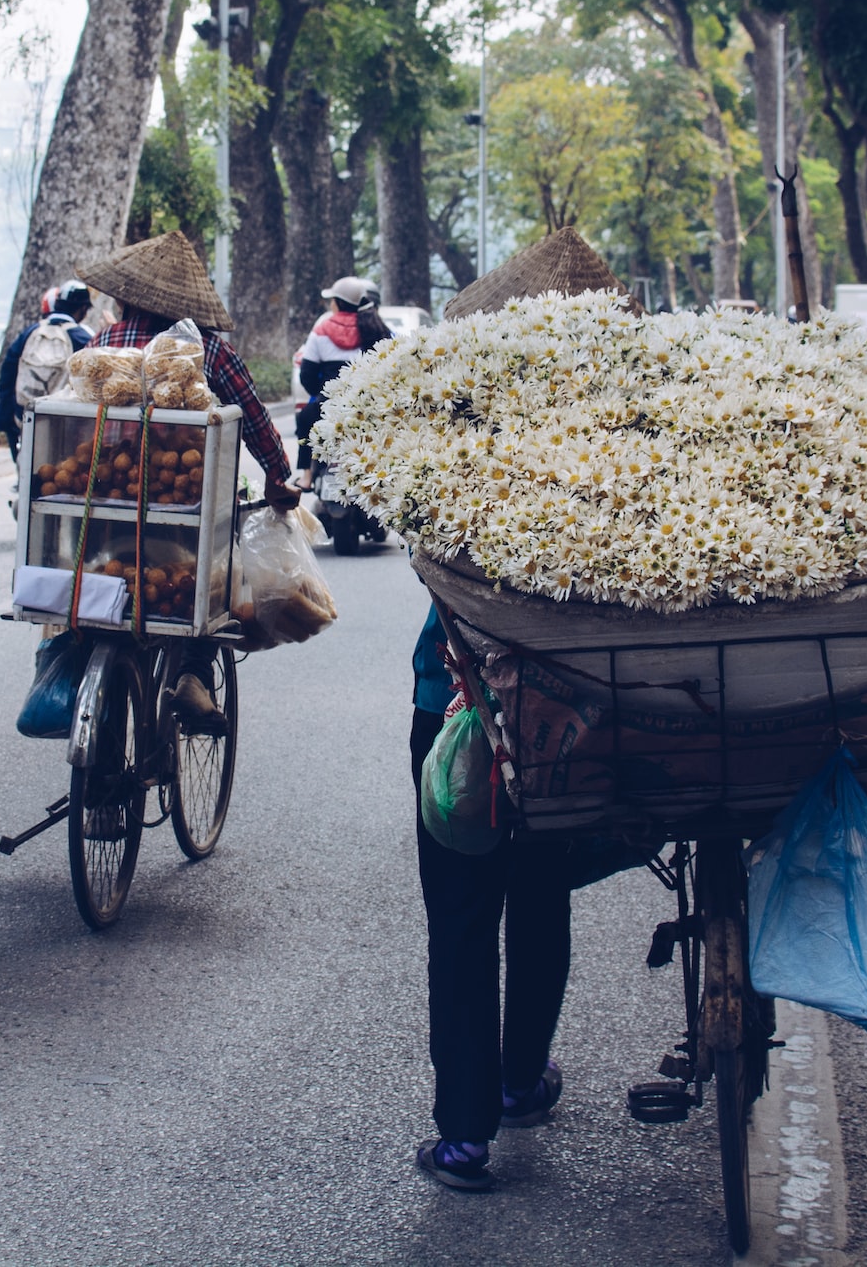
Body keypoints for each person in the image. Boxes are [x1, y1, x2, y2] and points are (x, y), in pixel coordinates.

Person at [76, 230, 300, 727]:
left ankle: (76, 657)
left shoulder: (103, 344)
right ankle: (196, 676)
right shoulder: (209, 352)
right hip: (183, 507)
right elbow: (256, 419)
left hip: (102, 502)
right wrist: (279, 478)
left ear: (125, 296)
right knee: (218, 577)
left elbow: (66, 414)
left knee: (91, 581)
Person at [410, 604, 570, 1193]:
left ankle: (463, 1137)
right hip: (565, 705)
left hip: (456, 708)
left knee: (461, 919)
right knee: (541, 893)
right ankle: (519, 1082)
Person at [295, 276, 391, 490]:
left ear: (337, 303)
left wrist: (320, 394)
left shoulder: (321, 330)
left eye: (332, 301)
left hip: (329, 405)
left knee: (305, 418)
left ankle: (307, 476)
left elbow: (307, 375)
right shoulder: (375, 328)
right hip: (366, 406)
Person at [0, 280, 95, 457]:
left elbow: (7, 375)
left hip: (24, 419)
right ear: (83, 310)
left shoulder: (29, 333)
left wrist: (4, 420)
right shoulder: (83, 338)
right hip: (64, 424)